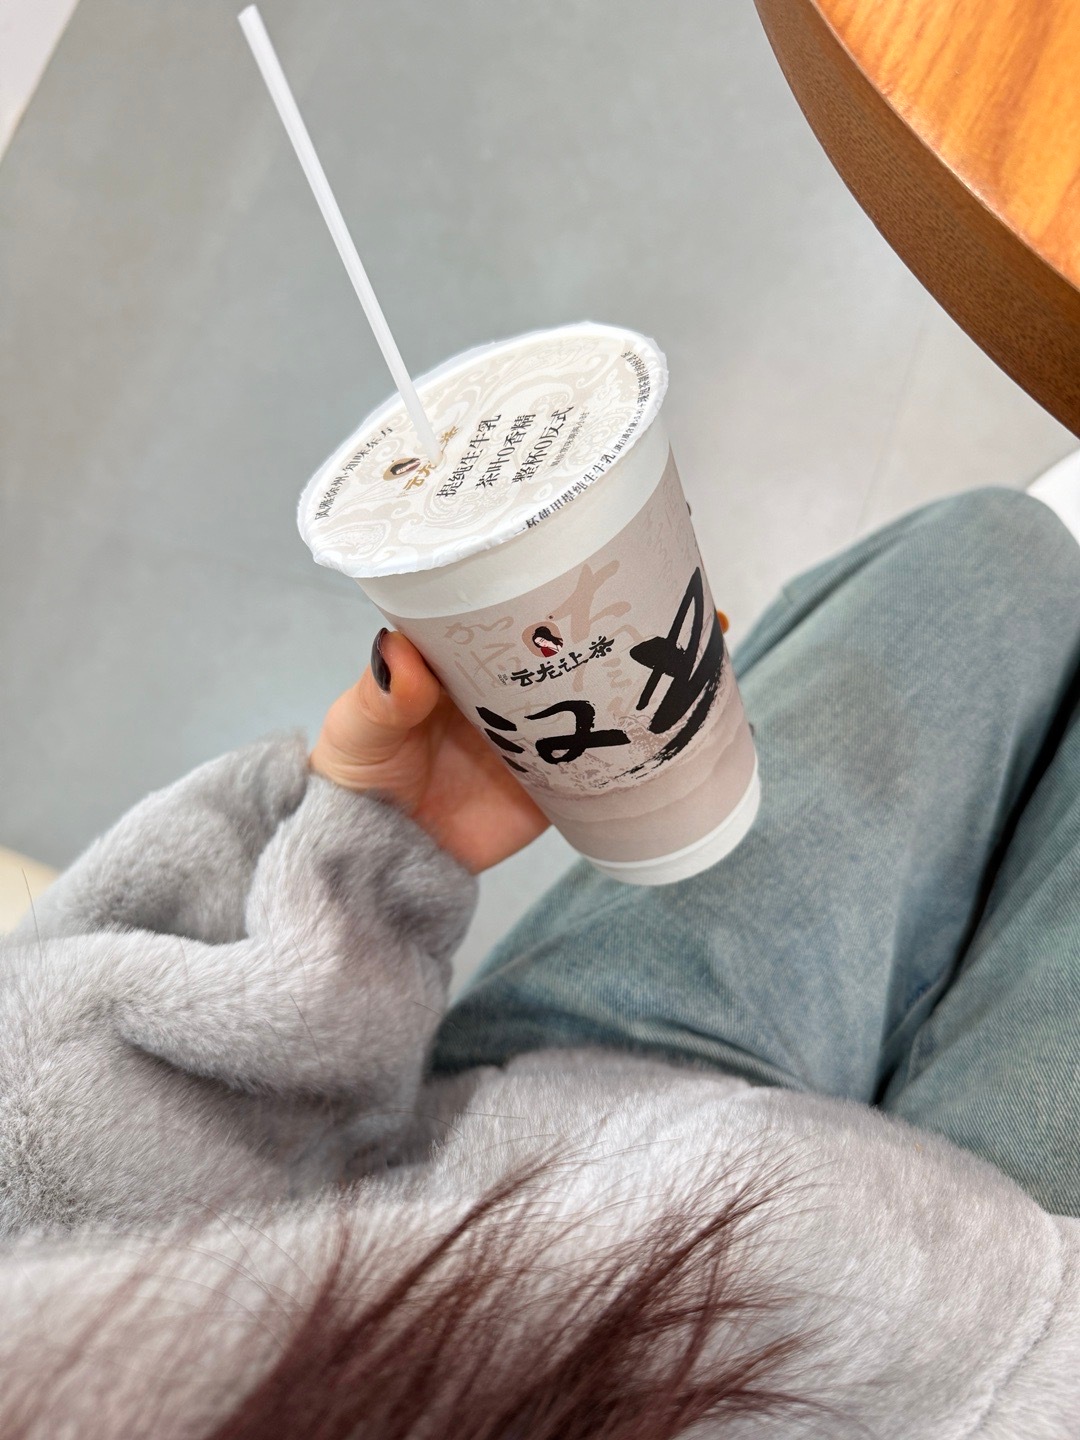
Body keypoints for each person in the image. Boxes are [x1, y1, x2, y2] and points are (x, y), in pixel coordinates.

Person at [1, 466, 1079, 1438]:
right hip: (1017, 1347)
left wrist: (344, 893)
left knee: (993, 552)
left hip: (565, 1153)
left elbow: (46, 1182)